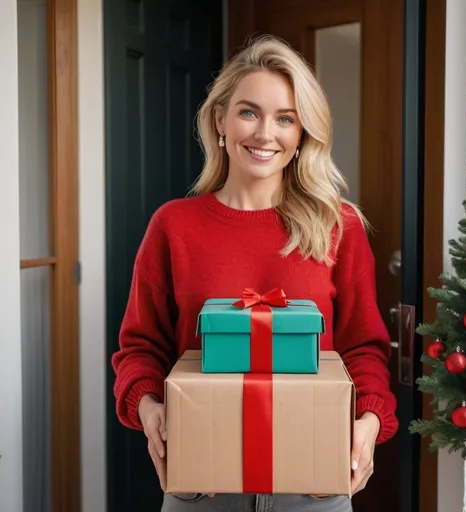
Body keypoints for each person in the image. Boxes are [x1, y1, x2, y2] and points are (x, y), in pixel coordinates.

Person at [111, 35, 398, 512]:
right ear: (220, 119)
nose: (266, 134)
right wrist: (149, 408)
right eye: (249, 112)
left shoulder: (337, 225)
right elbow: (139, 348)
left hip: (314, 485)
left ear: (303, 132)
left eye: (285, 118)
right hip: (202, 485)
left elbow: (363, 348)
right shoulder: (174, 225)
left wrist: (368, 422)